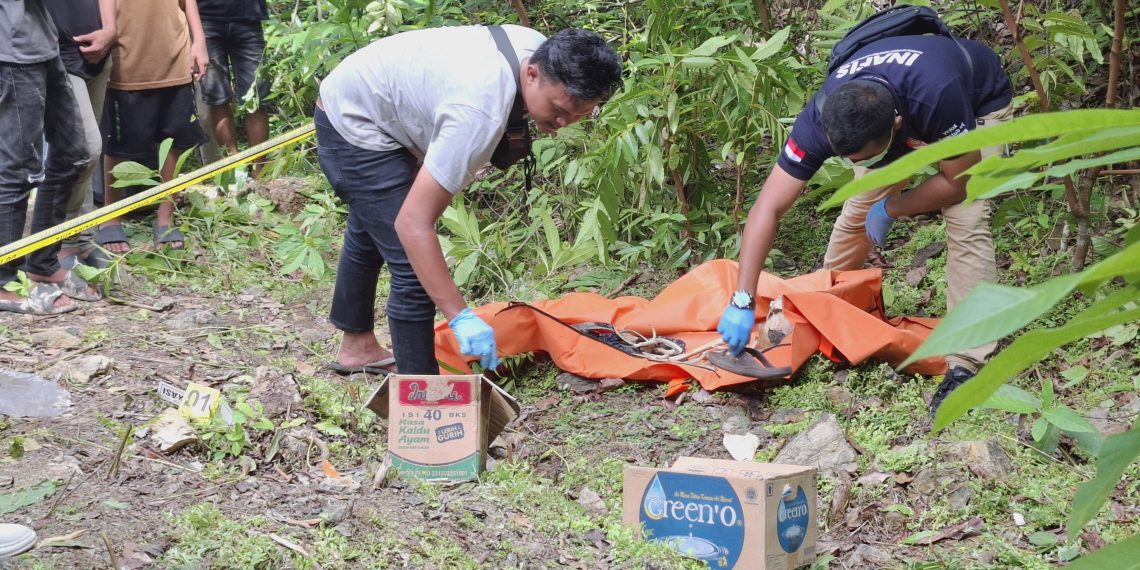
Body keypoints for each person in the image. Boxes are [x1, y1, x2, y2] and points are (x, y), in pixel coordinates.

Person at [717, 34, 1013, 413]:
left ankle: (966, 363)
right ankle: (829, 305)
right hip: (890, 120)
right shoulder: (825, 115)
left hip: (975, 105)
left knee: (967, 218)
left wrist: (894, 207)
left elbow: (959, 183)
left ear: (897, 127)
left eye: (868, 157)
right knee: (858, 209)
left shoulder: (937, 94)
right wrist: (742, 297)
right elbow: (767, 207)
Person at [317, 25, 622, 375]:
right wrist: (459, 316)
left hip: (378, 98)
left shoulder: (545, 53)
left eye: (579, 115)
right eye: (557, 109)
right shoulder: (479, 111)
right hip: (355, 121)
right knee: (414, 268)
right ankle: (422, 401)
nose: (564, 122)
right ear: (533, 74)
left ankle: (358, 349)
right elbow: (413, 223)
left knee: (372, 224)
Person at [0, 0, 101, 315]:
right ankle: (3, 280)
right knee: (18, 172)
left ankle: (42, 262)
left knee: (72, 155)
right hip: (11, 49)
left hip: (43, 42)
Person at [95, 0, 209, 253]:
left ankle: (165, 213)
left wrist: (199, 41)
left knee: (173, 139)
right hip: (127, 56)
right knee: (119, 145)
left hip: (175, 52)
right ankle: (111, 215)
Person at [42, 0, 117, 269]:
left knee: (84, 158)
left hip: (99, 50)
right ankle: (63, 243)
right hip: (56, 52)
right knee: (84, 149)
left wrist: (110, 29)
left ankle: (84, 237)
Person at [196, 0, 271, 178]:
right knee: (217, 98)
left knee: (257, 98)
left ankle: (259, 172)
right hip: (205, 18)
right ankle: (234, 171)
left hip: (248, 16)